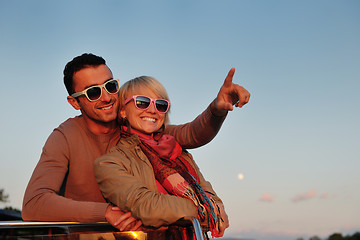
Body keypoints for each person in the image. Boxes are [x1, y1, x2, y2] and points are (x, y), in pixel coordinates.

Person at [22, 53, 250, 230]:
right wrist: (104, 213)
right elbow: (34, 204)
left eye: (110, 86)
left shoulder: (139, 130)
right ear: (74, 102)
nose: (107, 97)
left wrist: (218, 109)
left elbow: (191, 134)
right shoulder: (65, 136)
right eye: (93, 92)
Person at [94, 76, 229, 238]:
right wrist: (208, 209)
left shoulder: (181, 154)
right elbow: (148, 207)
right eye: (142, 102)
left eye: (160, 105)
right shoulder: (110, 162)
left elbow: (211, 195)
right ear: (123, 111)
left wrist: (211, 207)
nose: (152, 110)